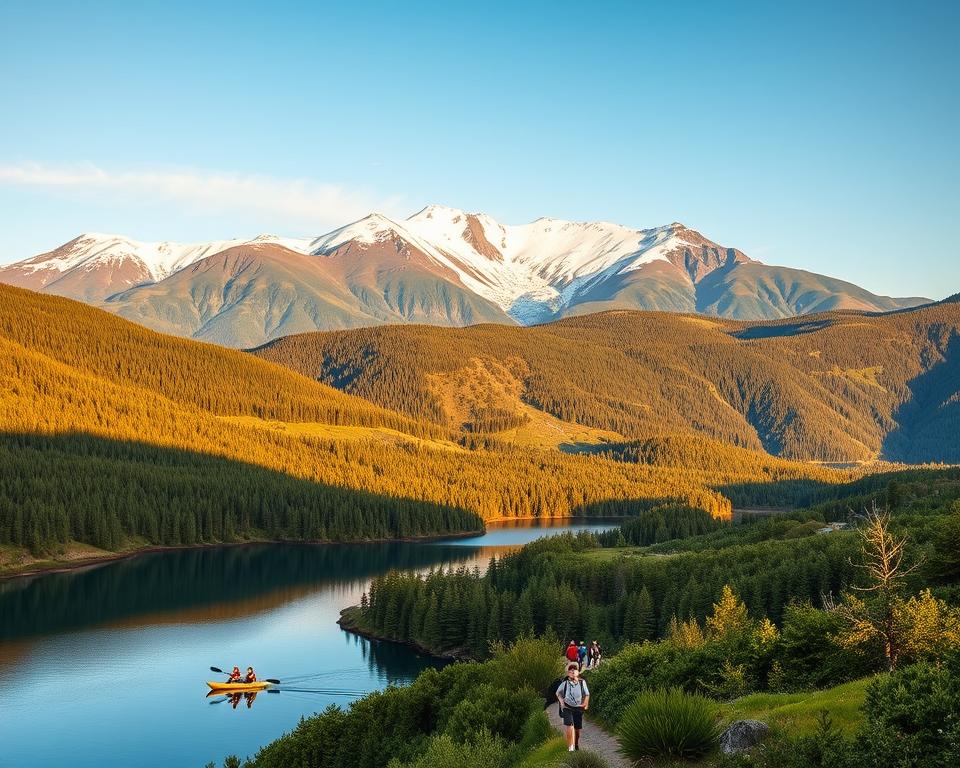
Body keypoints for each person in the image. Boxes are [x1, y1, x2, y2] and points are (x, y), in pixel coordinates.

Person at [556, 662, 590, 751]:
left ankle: (576, 744)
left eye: (574, 670)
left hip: (578, 708)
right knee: (569, 726)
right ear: (568, 673)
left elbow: (587, 694)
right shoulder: (565, 683)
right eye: (570, 670)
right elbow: (558, 693)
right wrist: (561, 701)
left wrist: (585, 704)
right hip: (567, 707)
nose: (572, 671)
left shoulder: (582, 682)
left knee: (577, 730)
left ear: (578, 672)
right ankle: (570, 748)